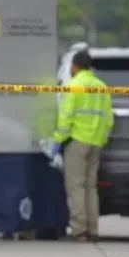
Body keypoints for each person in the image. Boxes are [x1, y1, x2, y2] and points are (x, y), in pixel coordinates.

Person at [51, 50, 113, 242]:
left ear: (74, 66)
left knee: (76, 186)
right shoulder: (101, 87)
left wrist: (58, 139)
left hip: (77, 141)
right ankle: (93, 229)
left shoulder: (74, 86)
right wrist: (101, 139)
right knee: (90, 187)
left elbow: (66, 116)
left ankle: (79, 231)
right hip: (96, 142)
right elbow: (108, 119)